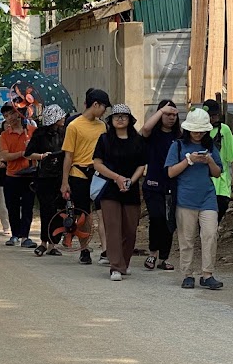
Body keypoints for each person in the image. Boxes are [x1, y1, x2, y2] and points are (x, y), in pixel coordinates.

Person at [166, 107, 224, 290]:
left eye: (201, 130)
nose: (198, 134)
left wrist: (209, 161)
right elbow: (170, 172)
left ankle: (207, 274)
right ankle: (187, 273)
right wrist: (188, 160)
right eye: (195, 130)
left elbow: (217, 173)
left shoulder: (210, 146)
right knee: (186, 238)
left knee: (209, 234)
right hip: (185, 199)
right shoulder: (178, 145)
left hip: (207, 197)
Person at [92, 104, 148, 281]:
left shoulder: (137, 140)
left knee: (130, 229)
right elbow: (97, 163)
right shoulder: (105, 139)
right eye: (117, 116)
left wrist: (130, 180)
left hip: (130, 189)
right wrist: (116, 178)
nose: (120, 119)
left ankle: (124, 262)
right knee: (113, 228)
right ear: (111, 120)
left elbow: (142, 164)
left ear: (130, 120)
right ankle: (115, 266)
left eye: (124, 116)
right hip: (109, 189)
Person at [59, 88, 110, 264]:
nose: (104, 111)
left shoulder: (103, 126)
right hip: (78, 173)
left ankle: (105, 250)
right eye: (104, 107)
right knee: (83, 214)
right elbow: (68, 156)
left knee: (102, 212)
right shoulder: (74, 126)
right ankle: (85, 249)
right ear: (95, 104)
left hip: (98, 173)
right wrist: (65, 182)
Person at [139, 100, 181, 271]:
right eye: (167, 114)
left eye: (174, 115)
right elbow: (145, 129)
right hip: (153, 184)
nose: (171, 118)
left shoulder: (179, 137)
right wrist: (161, 110)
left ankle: (164, 257)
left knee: (169, 221)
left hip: (172, 184)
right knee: (156, 217)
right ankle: (152, 253)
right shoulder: (153, 135)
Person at [25, 104, 67, 256]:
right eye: (60, 116)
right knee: (46, 209)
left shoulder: (64, 132)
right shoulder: (40, 133)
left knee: (59, 210)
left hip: (61, 175)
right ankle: (43, 242)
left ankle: (54, 244)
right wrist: (43, 156)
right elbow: (28, 154)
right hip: (44, 176)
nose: (63, 118)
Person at [0, 104, 36, 247]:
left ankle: (25, 236)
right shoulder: (4, 135)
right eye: (6, 116)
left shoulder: (32, 131)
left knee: (28, 207)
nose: (10, 118)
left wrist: (31, 147)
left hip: (29, 174)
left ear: (18, 113)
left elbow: (39, 150)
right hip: (12, 175)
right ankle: (15, 234)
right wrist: (23, 153)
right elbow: (6, 156)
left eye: (11, 114)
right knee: (12, 206)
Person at [202, 99, 233, 222]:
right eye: (211, 116)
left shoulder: (224, 130)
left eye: (216, 115)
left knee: (221, 207)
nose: (214, 118)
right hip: (204, 179)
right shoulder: (199, 131)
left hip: (222, 179)